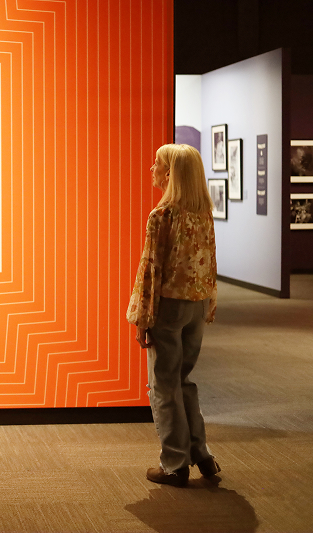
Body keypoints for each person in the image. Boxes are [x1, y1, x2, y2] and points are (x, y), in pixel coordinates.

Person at [127, 143, 222, 487]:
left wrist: (142, 317)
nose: (151, 169)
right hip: (197, 304)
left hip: (168, 307)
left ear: (169, 174)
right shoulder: (203, 213)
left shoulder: (162, 215)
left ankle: (174, 463)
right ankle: (202, 454)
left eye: (156, 164)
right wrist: (210, 305)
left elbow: (150, 270)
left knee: (163, 385)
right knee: (183, 380)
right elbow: (211, 263)